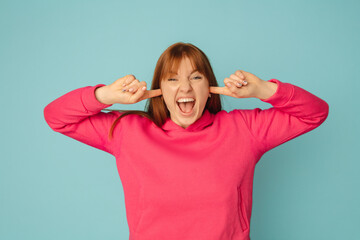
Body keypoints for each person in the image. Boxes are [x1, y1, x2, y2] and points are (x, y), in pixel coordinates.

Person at [43, 42, 329, 240]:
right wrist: (107, 96)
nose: (185, 88)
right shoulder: (129, 131)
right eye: (171, 79)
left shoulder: (244, 129)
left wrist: (264, 89)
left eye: (195, 77)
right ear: (158, 90)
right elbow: (56, 117)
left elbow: (315, 114)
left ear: (210, 87)